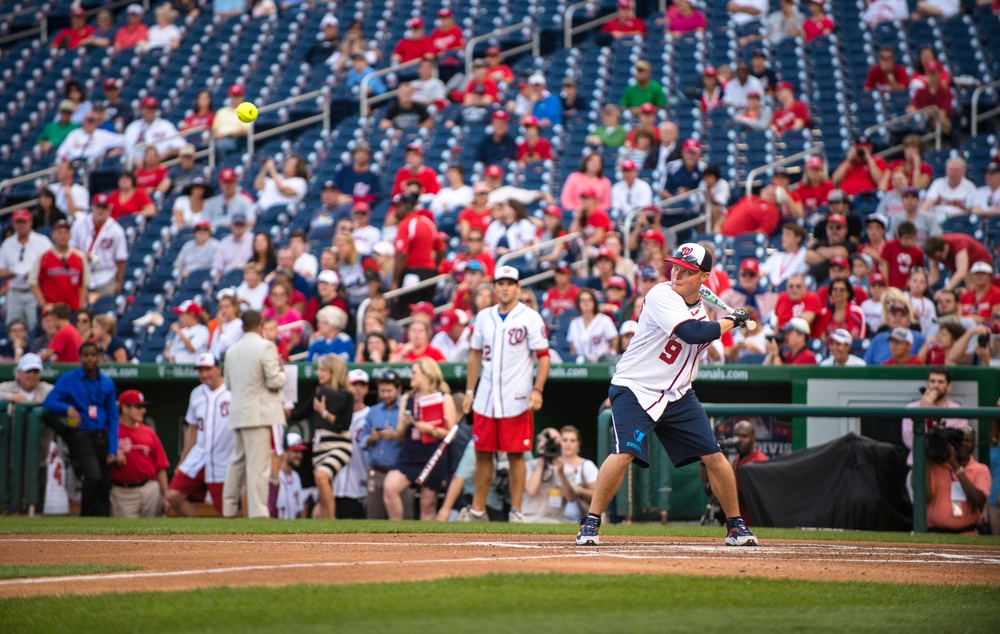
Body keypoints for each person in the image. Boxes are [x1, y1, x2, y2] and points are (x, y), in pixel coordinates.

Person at [576, 243, 757, 546]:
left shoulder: (701, 312)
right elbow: (693, 334)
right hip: (637, 387)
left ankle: (736, 525)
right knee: (625, 453)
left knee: (714, 456)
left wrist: (722, 324)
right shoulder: (661, 295)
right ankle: (591, 521)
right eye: (675, 266)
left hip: (678, 393)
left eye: (687, 271)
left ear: (703, 277)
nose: (677, 274)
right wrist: (732, 320)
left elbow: (706, 338)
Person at [43, 342, 119, 516]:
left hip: (101, 436)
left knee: (104, 482)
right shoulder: (69, 379)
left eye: (93, 355)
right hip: (80, 435)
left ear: (99, 356)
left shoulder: (107, 383)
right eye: (85, 355)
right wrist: (67, 408)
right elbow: (49, 402)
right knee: (93, 476)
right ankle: (86, 517)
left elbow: (113, 417)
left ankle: (102, 524)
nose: (89, 359)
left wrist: (113, 448)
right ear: (80, 357)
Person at [222, 311, 285, 519]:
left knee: (237, 462)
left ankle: (228, 509)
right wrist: (282, 371)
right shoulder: (266, 346)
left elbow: (229, 385)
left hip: (239, 413)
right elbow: (275, 381)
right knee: (258, 467)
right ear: (261, 324)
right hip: (258, 415)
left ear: (242, 327)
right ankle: (258, 513)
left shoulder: (231, 350)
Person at [383, 358, 460, 520]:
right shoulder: (408, 398)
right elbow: (399, 434)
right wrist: (403, 426)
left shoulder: (444, 398)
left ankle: (427, 543)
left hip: (433, 453)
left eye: (414, 373)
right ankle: (397, 531)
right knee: (390, 486)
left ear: (426, 375)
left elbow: (452, 433)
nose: (410, 376)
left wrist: (430, 429)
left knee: (427, 503)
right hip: (411, 451)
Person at [166, 353, 233, 517]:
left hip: (223, 458)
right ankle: (197, 532)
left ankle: (229, 542)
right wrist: (183, 460)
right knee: (173, 495)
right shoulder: (196, 393)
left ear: (218, 368)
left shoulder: (232, 391)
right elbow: (192, 429)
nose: (203, 374)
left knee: (224, 511)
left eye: (207, 369)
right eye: (200, 370)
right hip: (199, 455)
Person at [109, 390, 169, 518]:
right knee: (125, 535)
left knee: (154, 533)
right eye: (138, 407)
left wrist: (165, 495)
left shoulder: (149, 432)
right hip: (123, 492)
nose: (143, 411)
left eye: (143, 407)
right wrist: (112, 454)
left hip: (149, 488)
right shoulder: (111, 431)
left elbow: (161, 467)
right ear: (125, 408)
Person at [361, 371, 408, 520]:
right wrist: (371, 438)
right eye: (382, 391)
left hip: (399, 473)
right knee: (374, 519)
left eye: (389, 391)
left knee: (403, 522)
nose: (385, 395)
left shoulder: (406, 411)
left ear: (399, 389)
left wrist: (397, 436)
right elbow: (362, 441)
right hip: (376, 472)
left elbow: (413, 444)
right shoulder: (373, 411)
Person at [0, 209, 53, 332]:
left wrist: (35, 274)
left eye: (23, 222)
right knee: (12, 325)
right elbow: (1, 270)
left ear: (30, 222)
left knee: (34, 325)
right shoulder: (7, 244)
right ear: (13, 224)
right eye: (18, 222)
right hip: (15, 290)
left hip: (35, 291)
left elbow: (52, 265)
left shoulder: (42, 241)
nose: (21, 225)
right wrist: (8, 273)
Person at [520, 428, 575, 523]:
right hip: (531, 518)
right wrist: (542, 459)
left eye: (555, 441)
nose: (551, 446)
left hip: (557, 519)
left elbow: (571, 498)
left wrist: (561, 473)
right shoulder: (530, 465)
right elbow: (531, 490)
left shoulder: (567, 470)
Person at [865, 297, 926, 365]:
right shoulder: (878, 339)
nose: (897, 318)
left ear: (909, 320)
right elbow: (867, 364)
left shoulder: (919, 339)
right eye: (894, 315)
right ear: (888, 319)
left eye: (902, 315)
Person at [729, 420, 768, 525]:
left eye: (744, 436)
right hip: (736, 521)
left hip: (752, 523)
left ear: (753, 437)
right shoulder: (737, 459)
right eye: (737, 436)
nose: (740, 440)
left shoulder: (761, 461)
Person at [925, 234, 994, 292]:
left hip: (979, 267)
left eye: (940, 256)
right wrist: (922, 287)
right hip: (963, 271)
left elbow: (962, 271)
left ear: (945, 247)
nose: (940, 259)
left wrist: (945, 291)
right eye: (936, 258)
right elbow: (933, 277)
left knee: (968, 287)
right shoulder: (934, 253)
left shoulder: (958, 243)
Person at [567, 289, 619, 363]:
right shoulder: (574, 323)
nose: (586, 302)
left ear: (594, 302)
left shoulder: (604, 320)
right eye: (583, 300)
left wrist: (606, 355)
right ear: (578, 303)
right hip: (581, 363)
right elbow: (573, 348)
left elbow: (615, 342)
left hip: (601, 363)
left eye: (589, 300)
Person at [559, 425, 598, 521]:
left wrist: (578, 490)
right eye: (565, 440)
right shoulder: (552, 465)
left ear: (578, 443)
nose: (568, 444)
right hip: (553, 517)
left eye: (572, 441)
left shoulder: (586, 465)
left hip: (579, 519)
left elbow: (597, 495)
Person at [906, 59, 954, 137]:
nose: (931, 76)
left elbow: (943, 114)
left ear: (939, 73)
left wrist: (931, 112)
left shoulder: (946, 92)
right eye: (929, 73)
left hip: (941, 123)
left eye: (933, 73)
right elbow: (911, 108)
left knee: (941, 122)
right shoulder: (920, 91)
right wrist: (930, 111)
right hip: (925, 121)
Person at [921, 157, 976, 223]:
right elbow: (926, 205)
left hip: (958, 222)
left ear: (963, 172)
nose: (953, 173)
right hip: (936, 222)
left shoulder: (970, 187)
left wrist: (950, 217)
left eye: (956, 170)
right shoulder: (938, 183)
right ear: (946, 171)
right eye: (950, 170)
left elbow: (969, 212)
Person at [275, 432, 307, 519]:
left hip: (291, 531)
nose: (299, 455)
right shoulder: (273, 477)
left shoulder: (296, 477)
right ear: (284, 451)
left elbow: (300, 511)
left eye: (300, 451)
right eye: (295, 451)